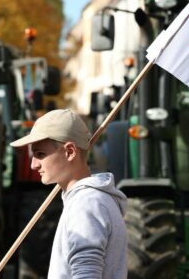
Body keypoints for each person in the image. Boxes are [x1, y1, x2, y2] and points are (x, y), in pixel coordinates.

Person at [10, 109, 128, 279]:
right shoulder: (90, 200)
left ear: (70, 151)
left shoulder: (86, 204)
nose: (33, 165)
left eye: (40, 154)